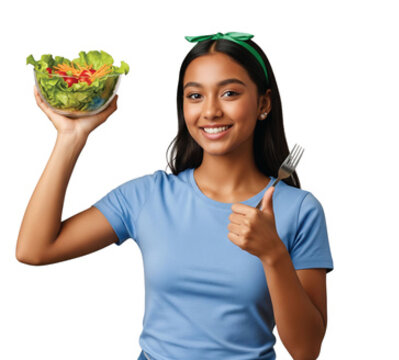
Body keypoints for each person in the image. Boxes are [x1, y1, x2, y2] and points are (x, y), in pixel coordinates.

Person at [16, 32, 332, 360]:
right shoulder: (147, 197)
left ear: (263, 103)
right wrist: (71, 137)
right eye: (195, 96)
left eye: (229, 93)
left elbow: (306, 350)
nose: (210, 111)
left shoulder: (299, 210)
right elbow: (34, 249)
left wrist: (274, 255)